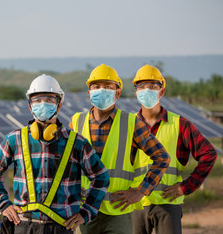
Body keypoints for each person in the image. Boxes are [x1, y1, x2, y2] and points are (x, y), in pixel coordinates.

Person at [0, 74, 110, 234]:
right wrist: (3, 204)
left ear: (59, 106)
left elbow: (101, 177)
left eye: (49, 100)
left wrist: (86, 212)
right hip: (23, 225)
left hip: (60, 227)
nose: (43, 104)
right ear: (30, 107)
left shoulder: (77, 143)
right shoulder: (14, 139)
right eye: (37, 100)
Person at [70, 64, 170, 234]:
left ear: (118, 93)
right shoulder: (76, 121)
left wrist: (140, 192)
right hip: (84, 210)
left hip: (118, 212)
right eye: (96, 86)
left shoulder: (131, 123)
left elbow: (162, 157)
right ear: (89, 93)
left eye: (108, 87)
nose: (101, 90)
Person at [131, 64, 218, 234]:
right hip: (136, 203)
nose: (146, 90)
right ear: (136, 92)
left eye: (152, 86)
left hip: (168, 203)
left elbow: (209, 154)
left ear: (162, 91)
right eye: (141, 86)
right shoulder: (128, 125)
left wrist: (186, 187)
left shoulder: (180, 125)